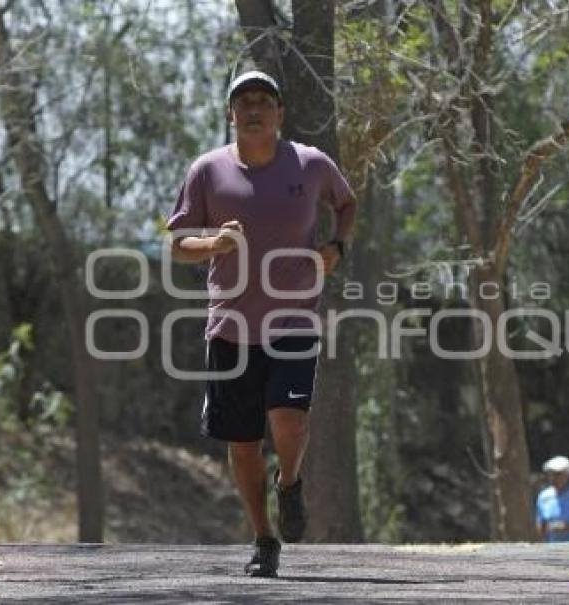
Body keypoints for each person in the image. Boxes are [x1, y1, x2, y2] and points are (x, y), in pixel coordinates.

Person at [166, 70, 357, 577]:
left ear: (279, 113)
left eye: (263, 100)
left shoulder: (311, 163)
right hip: (230, 327)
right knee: (243, 439)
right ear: (231, 113)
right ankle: (263, 538)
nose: (253, 108)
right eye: (243, 101)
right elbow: (178, 243)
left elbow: (347, 201)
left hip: (294, 316)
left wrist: (337, 245)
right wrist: (213, 244)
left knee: (289, 418)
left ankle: (289, 483)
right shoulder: (206, 171)